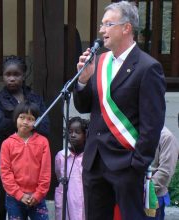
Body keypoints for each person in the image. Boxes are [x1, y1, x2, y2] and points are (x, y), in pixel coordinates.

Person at [73, 1, 166, 220]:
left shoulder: (147, 67)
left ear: (126, 28)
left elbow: (152, 124)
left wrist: (137, 164)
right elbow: (84, 106)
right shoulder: (99, 61)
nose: (101, 30)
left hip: (126, 163)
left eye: (108, 24)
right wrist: (83, 82)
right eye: (102, 24)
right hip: (95, 161)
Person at [0, 55, 50, 220]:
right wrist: (28, 122)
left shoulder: (35, 98)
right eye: (8, 74)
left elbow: (45, 128)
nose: (12, 78)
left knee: (29, 210)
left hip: (29, 164)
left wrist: (18, 122)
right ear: (3, 75)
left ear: (24, 75)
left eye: (16, 74)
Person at [0, 101, 51, 219]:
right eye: (22, 117)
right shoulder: (7, 144)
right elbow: (5, 173)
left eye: (30, 119)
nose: (25, 122)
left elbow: (46, 171)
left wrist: (38, 194)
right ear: (15, 118)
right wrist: (19, 194)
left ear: (36, 121)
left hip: (37, 196)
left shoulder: (43, 142)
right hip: (14, 197)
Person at [54, 116, 88, 220]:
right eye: (70, 131)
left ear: (85, 135)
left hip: (84, 199)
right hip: (67, 199)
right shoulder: (61, 155)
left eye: (77, 132)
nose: (73, 135)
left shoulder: (88, 155)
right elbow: (59, 174)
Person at [145, 126, 179, 220]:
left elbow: (165, 172)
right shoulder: (139, 132)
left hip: (153, 197)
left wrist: (145, 190)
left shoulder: (166, 137)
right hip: (133, 195)